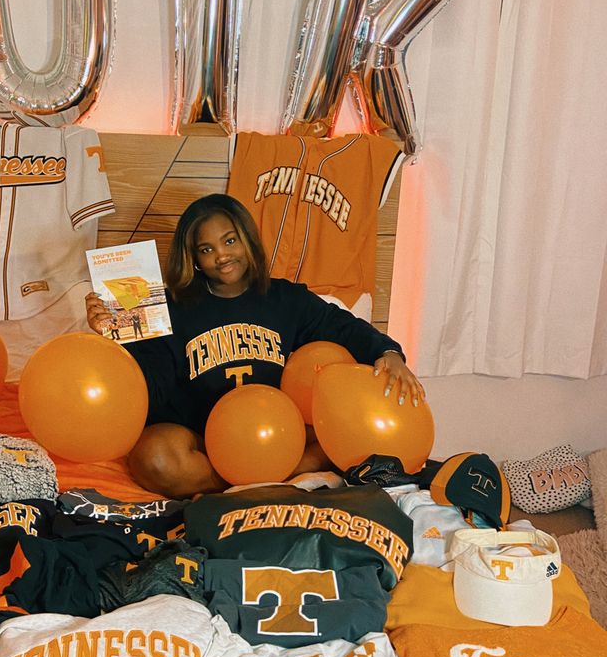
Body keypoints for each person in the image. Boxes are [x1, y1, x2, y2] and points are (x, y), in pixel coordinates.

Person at [86, 194, 425, 499]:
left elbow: (344, 328)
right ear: (193, 258)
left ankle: (251, 479)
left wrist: (389, 353)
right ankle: (256, 482)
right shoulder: (168, 307)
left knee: (342, 442)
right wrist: (116, 340)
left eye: (229, 240)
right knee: (153, 456)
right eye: (206, 250)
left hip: (274, 438)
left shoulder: (285, 299)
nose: (221, 256)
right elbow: (151, 390)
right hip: (203, 441)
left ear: (247, 238)